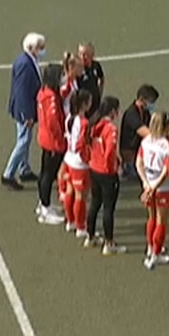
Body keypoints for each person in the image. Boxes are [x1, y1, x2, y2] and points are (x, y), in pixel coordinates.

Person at [1, 32, 45, 190]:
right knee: (23, 140)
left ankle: (24, 169)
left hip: (25, 109)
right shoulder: (25, 65)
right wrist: (27, 114)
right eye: (40, 47)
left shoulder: (27, 61)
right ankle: (8, 174)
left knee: (25, 139)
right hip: (24, 110)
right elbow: (22, 92)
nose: (42, 50)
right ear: (32, 48)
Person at [85, 96, 127, 255]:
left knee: (95, 202)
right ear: (113, 111)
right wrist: (114, 168)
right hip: (106, 173)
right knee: (109, 208)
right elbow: (110, 152)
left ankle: (90, 236)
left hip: (93, 168)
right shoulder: (110, 129)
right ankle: (109, 243)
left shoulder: (93, 124)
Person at [138, 111, 169, 270]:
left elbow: (138, 163)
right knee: (161, 221)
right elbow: (167, 171)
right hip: (163, 188)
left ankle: (150, 246)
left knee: (151, 217)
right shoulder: (167, 146)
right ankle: (155, 254)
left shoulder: (146, 141)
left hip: (149, 185)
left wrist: (146, 183)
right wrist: (155, 186)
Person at [36, 61, 67, 225]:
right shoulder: (52, 98)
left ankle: (43, 203)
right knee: (48, 174)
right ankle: (45, 209)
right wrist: (60, 139)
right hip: (52, 142)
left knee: (45, 173)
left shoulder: (43, 92)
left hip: (45, 138)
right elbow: (53, 122)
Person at [63, 89, 93, 239]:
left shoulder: (69, 117)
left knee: (70, 190)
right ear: (84, 104)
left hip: (68, 158)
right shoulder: (84, 123)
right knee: (81, 196)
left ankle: (71, 221)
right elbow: (81, 144)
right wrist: (88, 159)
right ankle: (81, 227)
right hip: (79, 163)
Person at [56, 53, 83, 206]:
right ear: (71, 68)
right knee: (66, 158)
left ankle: (65, 186)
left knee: (67, 158)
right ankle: (62, 188)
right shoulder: (66, 83)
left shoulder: (72, 81)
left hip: (72, 121)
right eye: (78, 67)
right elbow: (62, 99)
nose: (81, 69)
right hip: (69, 123)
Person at [119, 85, 159, 180]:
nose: (152, 104)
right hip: (131, 156)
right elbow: (145, 132)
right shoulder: (131, 114)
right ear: (142, 99)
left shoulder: (145, 113)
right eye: (151, 101)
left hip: (139, 155)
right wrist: (162, 136)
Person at [77, 42, 104, 114]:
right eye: (80, 54)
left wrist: (99, 92)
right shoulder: (77, 70)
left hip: (95, 104)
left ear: (92, 55)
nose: (82, 57)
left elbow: (101, 78)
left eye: (85, 54)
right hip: (84, 107)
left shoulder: (96, 65)